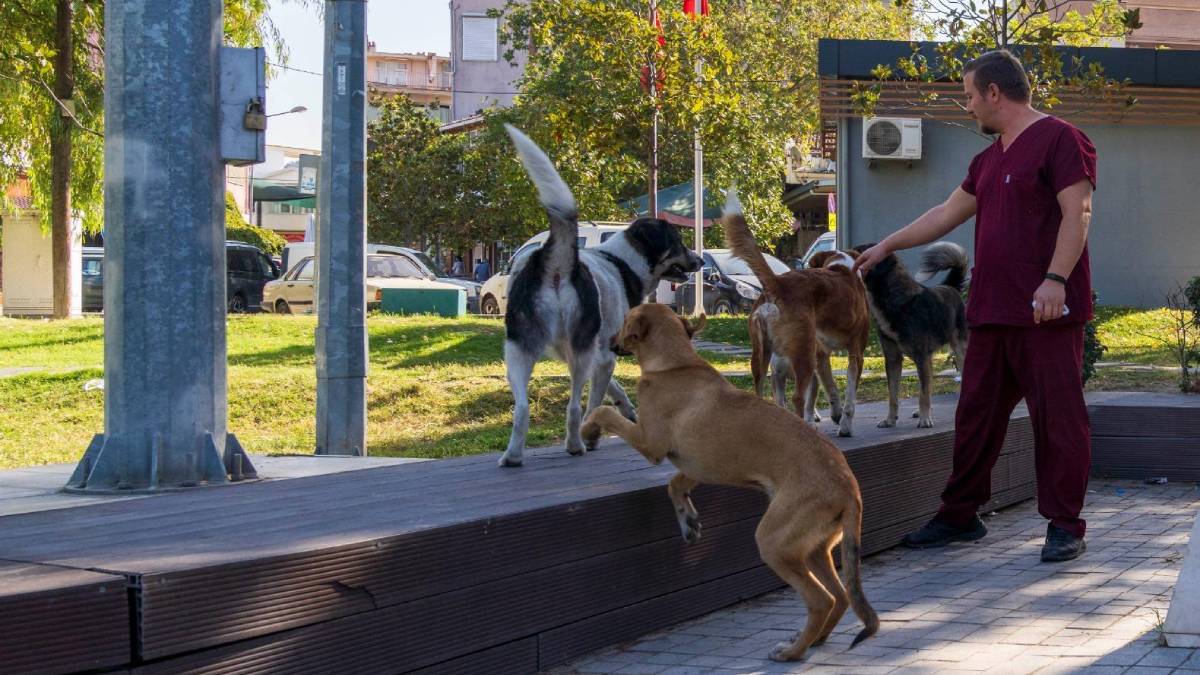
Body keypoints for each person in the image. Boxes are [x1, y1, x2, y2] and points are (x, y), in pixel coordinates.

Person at [854, 49, 1096, 563]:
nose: (967, 107)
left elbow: (1078, 211)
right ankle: (960, 516)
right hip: (989, 312)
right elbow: (945, 213)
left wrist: (1056, 280)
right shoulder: (987, 161)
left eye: (968, 96)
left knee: (1058, 420)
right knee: (974, 418)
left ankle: (1064, 524)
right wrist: (886, 245)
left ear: (994, 92)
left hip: (1046, 313)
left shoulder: (1062, 139)